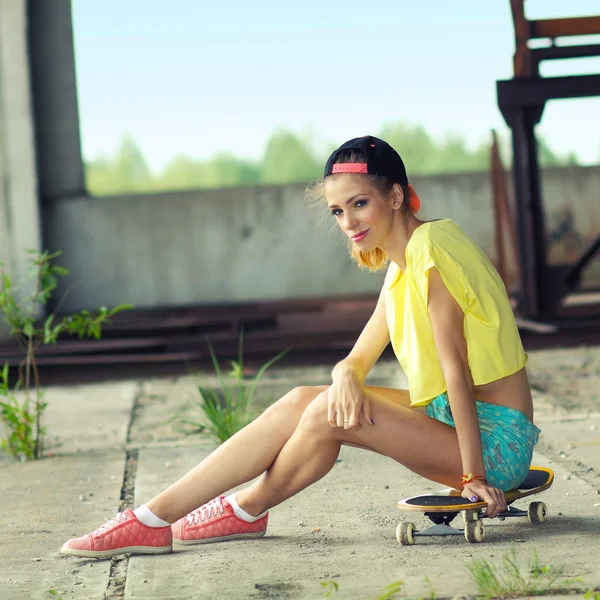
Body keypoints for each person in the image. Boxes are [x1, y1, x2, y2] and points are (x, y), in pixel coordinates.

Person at [61, 136, 540, 558]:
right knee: (303, 401)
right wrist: (346, 376)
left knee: (324, 412)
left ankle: (172, 518)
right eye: (338, 211)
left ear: (395, 196)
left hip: (494, 444)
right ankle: (192, 514)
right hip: (454, 423)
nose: (349, 222)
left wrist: (472, 477)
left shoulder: (432, 247)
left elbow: (454, 367)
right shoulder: (401, 267)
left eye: (360, 204)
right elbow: (356, 358)